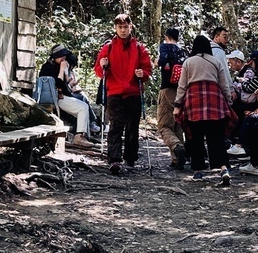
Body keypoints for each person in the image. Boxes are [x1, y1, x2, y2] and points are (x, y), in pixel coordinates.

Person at [94, 13, 153, 175]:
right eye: (120, 27)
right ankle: (114, 159)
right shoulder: (108, 47)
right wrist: (102, 64)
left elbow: (148, 69)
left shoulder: (139, 48)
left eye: (125, 27)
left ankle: (130, 158)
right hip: (114, 92)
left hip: (133, 92)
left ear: (130, 27)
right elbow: (99, 72)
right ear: (115, 28)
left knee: (133, 127)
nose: (123, 30)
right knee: (116, 125)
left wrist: (143, 73)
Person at [173, 34, 233, 185]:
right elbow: (224, 84)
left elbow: (182, 86)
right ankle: (223, 169)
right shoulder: (216, 61)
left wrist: (177, 105)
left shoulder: (188, 62)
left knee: (195, 136)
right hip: (214, 99)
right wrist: (228, 101)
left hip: (194, 101)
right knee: (217, 137)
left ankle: (198, 171)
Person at [40, 45, 94, 148]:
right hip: (54, 98)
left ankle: (83, 136)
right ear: (54, 57)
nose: (63, 58)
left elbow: (64, 84)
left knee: (83, 106)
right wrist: (62, 69)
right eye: (61, 56)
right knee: (83, 108)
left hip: (62, 96)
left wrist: (68, 77)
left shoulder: (58, 66)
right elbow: (58, 84)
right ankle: (79, 137)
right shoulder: (47, 68)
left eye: (64, 56)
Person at [156, 27, 188, 170]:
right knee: (177, 125)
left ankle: (177, 147)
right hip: (182, 90)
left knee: (164, 125)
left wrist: (157, 62)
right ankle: (177, 160)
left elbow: (162, 61)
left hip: (168, 88)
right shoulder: (183, 51)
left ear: (166, 36)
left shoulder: (165, 47)